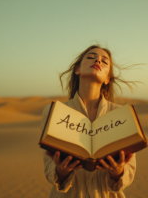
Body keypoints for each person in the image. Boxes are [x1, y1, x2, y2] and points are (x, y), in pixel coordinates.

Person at [41, 45, 136, 198]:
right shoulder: (53, 112)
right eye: (91, 57)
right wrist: (62, 170)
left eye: (104, 61)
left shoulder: (122, 114)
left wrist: (117, 171)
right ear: (77, 69)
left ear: (107, 79)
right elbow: (49, 170)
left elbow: (128, 173)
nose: (98, 60)